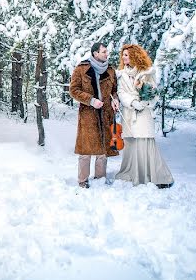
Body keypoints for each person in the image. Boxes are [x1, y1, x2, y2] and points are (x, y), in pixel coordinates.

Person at [114, 43, 174, 188]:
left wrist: (144, 101)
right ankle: (132, 174)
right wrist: (133, 102)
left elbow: (153, 92)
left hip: (143, 112)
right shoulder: (121, 74)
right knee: (132, 143)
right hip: (130, 111)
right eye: (123, 55)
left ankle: (157, 176)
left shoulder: (147, 72)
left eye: (126, 55)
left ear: (134, 56)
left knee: (145, 142)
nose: (123, 57)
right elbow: (121, 92)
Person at [69, 41, 120, 188]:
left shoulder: (110, 70)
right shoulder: (81, 69)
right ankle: (82, 180)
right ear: (95, 54)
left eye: (106, 51)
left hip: (106, 114)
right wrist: (90, 100)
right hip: (88, 115)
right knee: (86, 150)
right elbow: (73, 90)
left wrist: (115, 100)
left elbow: (114, 90)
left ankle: (100, 178)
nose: (107, 54)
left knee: (103, 149)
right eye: (104, 51)